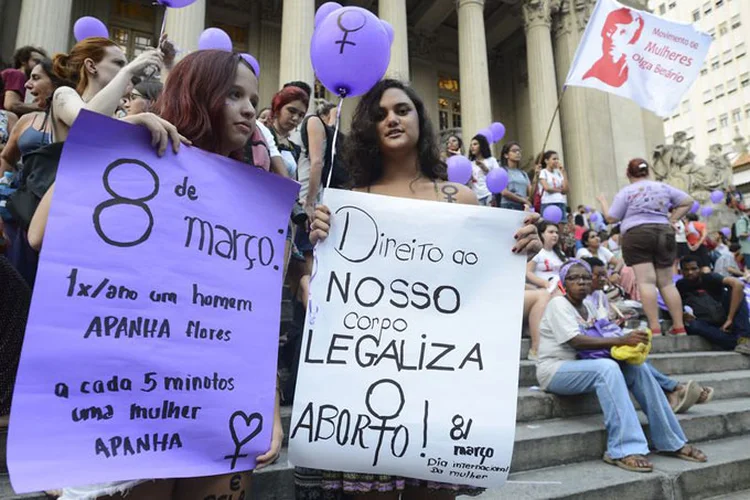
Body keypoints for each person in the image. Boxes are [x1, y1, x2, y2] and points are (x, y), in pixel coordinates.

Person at [37, 50, 280, 500]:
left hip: (216, 397)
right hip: (131, 397)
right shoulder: (141, 153)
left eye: (253, 98)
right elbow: (39, 232)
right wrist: (114, 140)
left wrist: (270, 406)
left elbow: (252, 313)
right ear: (200, 94)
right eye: (234, 94)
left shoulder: (252, 195)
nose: (250, 108)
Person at [301, 78, 542, 499]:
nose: (391, 119)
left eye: (401, 110)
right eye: (379, 115)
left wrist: (522, 246)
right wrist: (320, 244)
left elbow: (481, 285)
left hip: (439, 380)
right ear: (367, 132)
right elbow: (324, 298)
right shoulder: (348, 204)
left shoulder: (460, 199)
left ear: (420, 120)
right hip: (365, 381)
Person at [537, 260, 706, 473]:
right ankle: (623, 449)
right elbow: (576, 341)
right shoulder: (558, 304)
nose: (581, 282)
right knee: (607, 368)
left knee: (638, 367)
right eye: (574, 278)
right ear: (563, 282)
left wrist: (628, 340)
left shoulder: (590, 305)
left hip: (586, 365)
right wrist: (620, 341)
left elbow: (605, 333)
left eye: (586, 278)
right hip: (555, 370)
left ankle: (671, 440)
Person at [582, 256, 710, 412]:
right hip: (592, 349)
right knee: (632, 359)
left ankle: (673, 391)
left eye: (604, 274)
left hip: (608, 342)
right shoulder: (580, 299)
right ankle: (674, 388)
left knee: (635, 354)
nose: (603, 279)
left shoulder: (600, 295)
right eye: (598, 275)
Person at [596, 158, 693, 337]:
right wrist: (671, 219)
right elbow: (687, 201)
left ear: (628, 174)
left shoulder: (626, 192)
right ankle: (679, 327)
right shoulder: (663, 187)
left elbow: (611, 218)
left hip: (637, 234)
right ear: (648, 171)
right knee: (667, 282)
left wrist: (602, 202)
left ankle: (654, 328)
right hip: (663, 231)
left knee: (645, 282)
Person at [677, 256, 750, 355]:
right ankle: (734, 342)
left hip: (725, 316)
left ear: (700, 269)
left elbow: (738, 285)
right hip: (707, 322)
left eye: (694, 269)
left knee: (738, 293)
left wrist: (730, 318)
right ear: (681, 271)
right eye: (686, 269)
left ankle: (744, 338)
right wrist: (684, 314)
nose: (690, 272)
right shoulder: (680, 285)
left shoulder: (709, 278)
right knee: (692, 325)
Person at [582, 7, 644, 88]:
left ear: (633, 39)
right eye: (611, 29)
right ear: (603, 32)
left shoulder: (635, 73)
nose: (613, 37)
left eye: (623, 32)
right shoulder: (591, 76)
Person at [269, 85, 308, 179]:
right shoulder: (263, 135)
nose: (295, 118)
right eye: (291, 111)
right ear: (278, 108)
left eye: (301, 115)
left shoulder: (295, 148)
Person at [1, 45, 47, 115]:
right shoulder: (17, 74)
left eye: (42, 63)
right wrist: (40, 107)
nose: (40, 66)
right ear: (23, 61)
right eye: (36, 61)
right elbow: (11, 104)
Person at [527, 221, 567, 290]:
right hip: (541, 290)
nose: (555, 235)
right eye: (551, 232)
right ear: (541, 234)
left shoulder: (561, 253)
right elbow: (528, 272)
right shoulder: (536, 252)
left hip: (560, 288)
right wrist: (545, 283)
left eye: (557, 232)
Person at [497, 141, 531, 211]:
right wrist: (523, 200)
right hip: (508, 205)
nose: (518, 153)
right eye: (514, 151)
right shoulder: (502, 171)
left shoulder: (523, 173)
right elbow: (504, 192)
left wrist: (536, 176)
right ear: (506, 155)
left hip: (522, 206)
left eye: (519, 151)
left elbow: (530, 192)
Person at [468, 133, 499, 206]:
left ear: (482, 145)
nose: (472, 147)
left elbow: (497, 177)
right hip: (476, 196)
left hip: (489, 194)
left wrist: (485, 169)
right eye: (471, 145)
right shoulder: (470, 163)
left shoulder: (491, 160)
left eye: (475, 144)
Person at [537, 150, 568, 215]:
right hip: (548, 202)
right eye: (554, 159)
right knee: (549, 223)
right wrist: (559, 190)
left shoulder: (558, 173)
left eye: (557, 159)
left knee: (562, 223)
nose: (556, 161)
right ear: (546, 161)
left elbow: (565, 190)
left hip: (560, 201)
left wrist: (563, 172)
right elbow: (547, 188)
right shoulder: (543, 172)